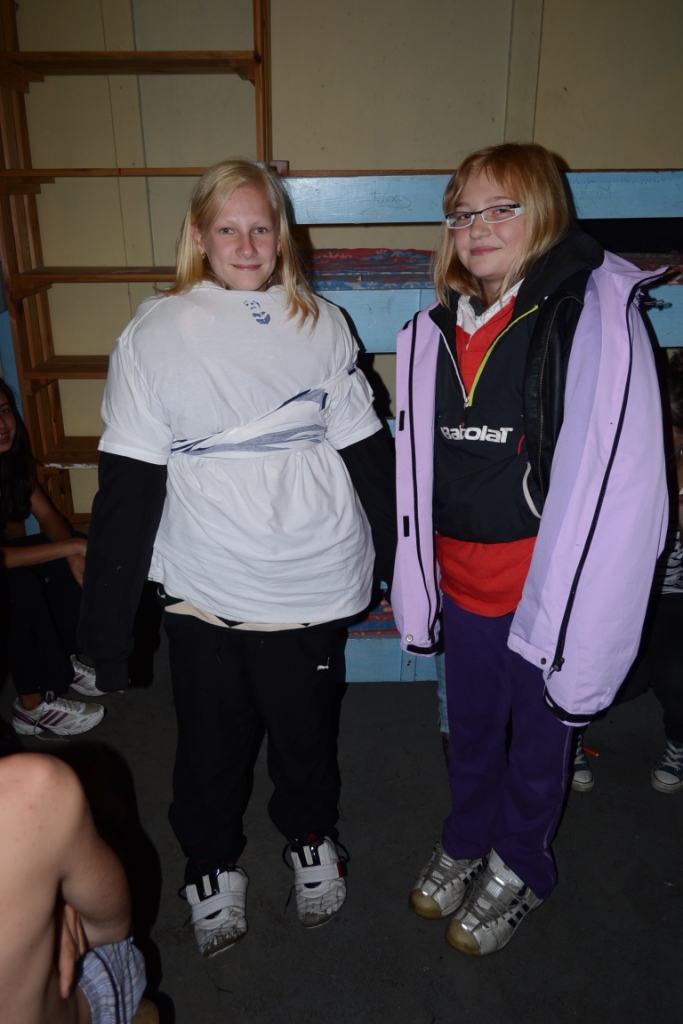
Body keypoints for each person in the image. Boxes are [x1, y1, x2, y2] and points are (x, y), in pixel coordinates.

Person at [78, 160, 395, 957]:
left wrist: (405, 561)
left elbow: (367, 454)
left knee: (304, 734)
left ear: (281, 235)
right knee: (209, 742)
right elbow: (127, 487)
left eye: (261, 227)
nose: (246, 244)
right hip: (207, 581)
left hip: (312, 575)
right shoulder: (154, 333)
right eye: (228, 228)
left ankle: (311, 837)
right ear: (198, 236)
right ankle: (212, 862)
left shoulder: (322, 322)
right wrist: (106, 632)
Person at [392, 142, 668, 956]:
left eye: (500, 209)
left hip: (543, 595)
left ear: (543, 211)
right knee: (472, 731)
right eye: (462, 214)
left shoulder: (585, 318)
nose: (477, 227)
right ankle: (466, 837)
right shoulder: (432, 330)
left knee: (540, 744)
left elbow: (618, 479)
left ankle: (522, 865)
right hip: (461, 583)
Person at [572, 349, 683, 795]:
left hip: (673, 594)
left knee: (675, 670)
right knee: (602, 665)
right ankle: (569, 733)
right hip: (617, 588)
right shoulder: (628, 457)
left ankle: (678, 741)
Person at [0, 752, 145, 1023]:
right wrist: (52, 913)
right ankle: (103, 821)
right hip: (81, 1001)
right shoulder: (29, 788)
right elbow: (111, 928)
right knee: (82, 800)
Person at [0, 380, 105, 737]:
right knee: (17, 586)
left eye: (5, 411)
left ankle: (61, 660)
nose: (2, 424)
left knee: (69, 548)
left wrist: (71, 550)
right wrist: (71, 549)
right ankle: (31, 707)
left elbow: (47, 516)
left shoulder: (9, 460)